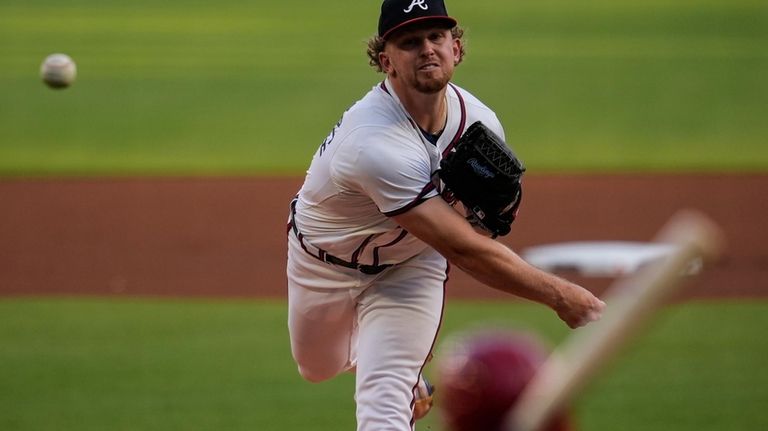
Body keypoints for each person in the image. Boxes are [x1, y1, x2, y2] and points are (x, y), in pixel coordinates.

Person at [286, 1, 606, 430]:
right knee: (317, 367)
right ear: (386, 61)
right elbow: (465, 248)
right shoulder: (372, 144)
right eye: (410, 42)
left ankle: (399, 369)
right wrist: (561, 295)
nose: (427, 49)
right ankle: (389, 361)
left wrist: (488, 216)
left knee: (384, 405)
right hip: (323, 264)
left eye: (437, 37)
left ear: (456, 48)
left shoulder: (480, 123)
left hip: (412, 267)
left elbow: (473, 231)